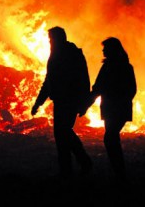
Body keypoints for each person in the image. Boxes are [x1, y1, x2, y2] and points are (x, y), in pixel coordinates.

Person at [31, 26, 93, 179]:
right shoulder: (56, 54)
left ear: (59, 38)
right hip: (60, 100)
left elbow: (84, 80)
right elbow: (49, 81)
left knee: (63, 132)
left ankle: (80, 163)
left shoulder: (72, 54)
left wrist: (84, 102)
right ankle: (73, 166)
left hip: (69, 100)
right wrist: (38, 102)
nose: (50, 42)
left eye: (51, 39)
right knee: (62, 134)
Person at [88, 37, 137, 183]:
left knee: (110, 138)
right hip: (112, 108)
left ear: (113, 49)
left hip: (116, 108)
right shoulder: (113, 66)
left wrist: (119, 99)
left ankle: (120, 174)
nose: (103, 50)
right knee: (111, 138)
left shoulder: (122, 67)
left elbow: (131, 90)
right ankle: (118, 172)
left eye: (105, 48)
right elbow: (98, 88)